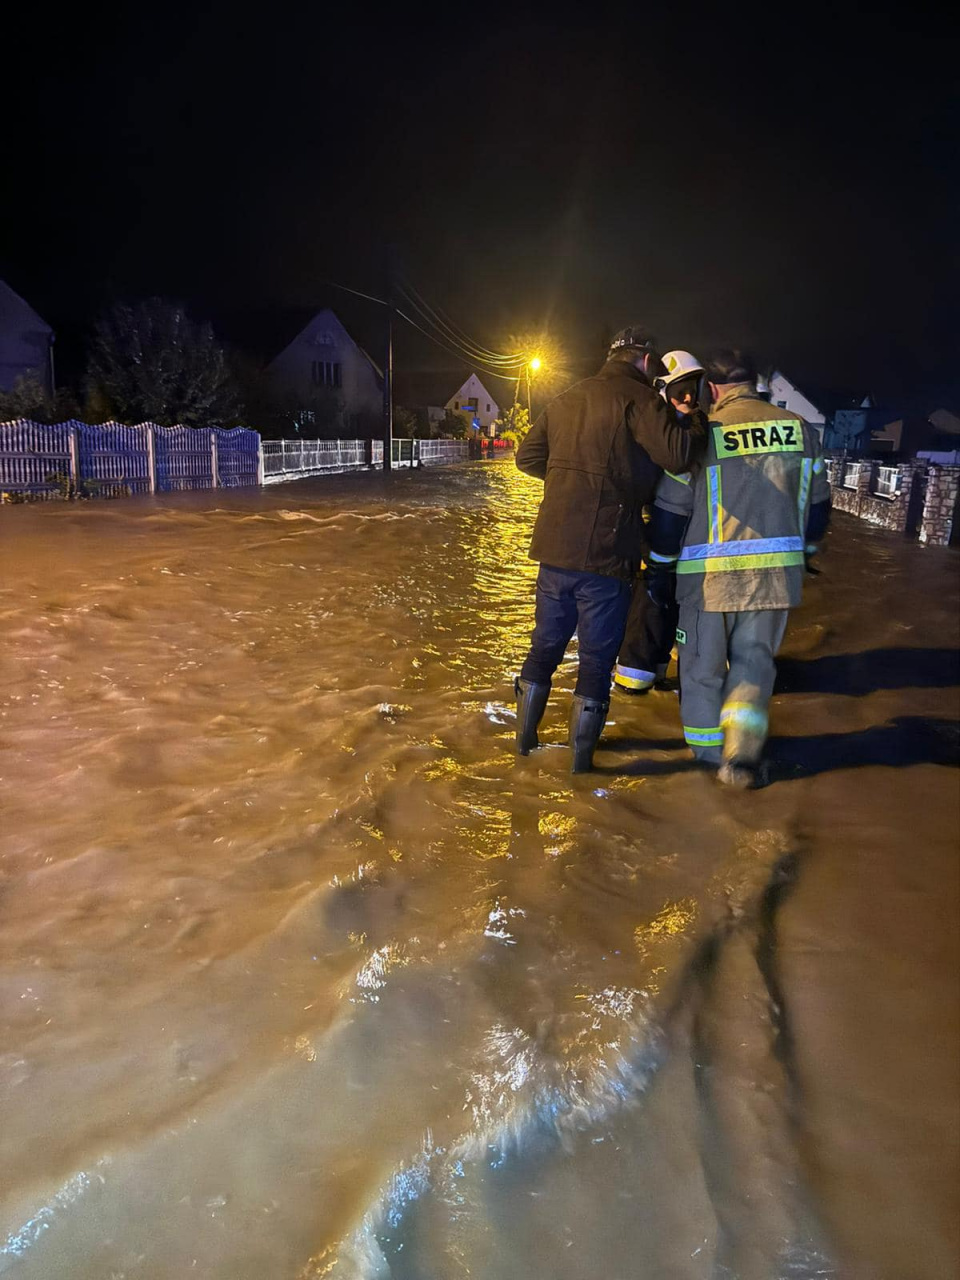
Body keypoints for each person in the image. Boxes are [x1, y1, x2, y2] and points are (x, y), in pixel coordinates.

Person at [514, 326, 703, 773]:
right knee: (596, 661)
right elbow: (677, 455)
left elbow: (527, 458)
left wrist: (569, 485)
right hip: (607, 552)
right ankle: (580, 770)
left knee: (545, 645)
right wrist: (694, 417)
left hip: (554, 548)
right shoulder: (638, 399)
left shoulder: (566, 398)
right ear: (643, 361)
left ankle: (523, 749)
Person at [647, 348, 830, 787]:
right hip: (775, 582)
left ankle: (708, 765)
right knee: (754, 667)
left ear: (711, 388)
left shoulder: (700, 432)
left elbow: (670, 514)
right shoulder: (800, 430)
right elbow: (818, 507)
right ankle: (741, 758)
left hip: (707, 583)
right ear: (756, 382)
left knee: (701, 671)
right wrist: (804, 554)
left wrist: (659, 568)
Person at [613, 350, 706, 696]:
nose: (688, 398)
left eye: (692, 390)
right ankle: (633, 677)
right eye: (681, 390)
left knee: (666, 601)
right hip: (656, 529)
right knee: (650, 597)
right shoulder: (657, 426)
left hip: (684, 534)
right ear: (662, 389)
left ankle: (654, 671)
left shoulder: (690, 426)